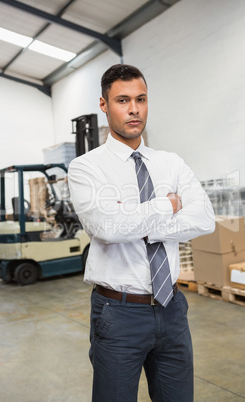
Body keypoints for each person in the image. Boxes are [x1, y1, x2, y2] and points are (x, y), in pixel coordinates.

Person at [68, 64, 215, 402]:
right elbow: (106, 228)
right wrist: (167, 206)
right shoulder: (86, 168)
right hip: (118, 314)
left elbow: (204, 218)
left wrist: (134, 220)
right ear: (104, 105)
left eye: (141, 99)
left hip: (172, 308)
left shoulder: (171, 163)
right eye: (122, 100)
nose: (134, 109)